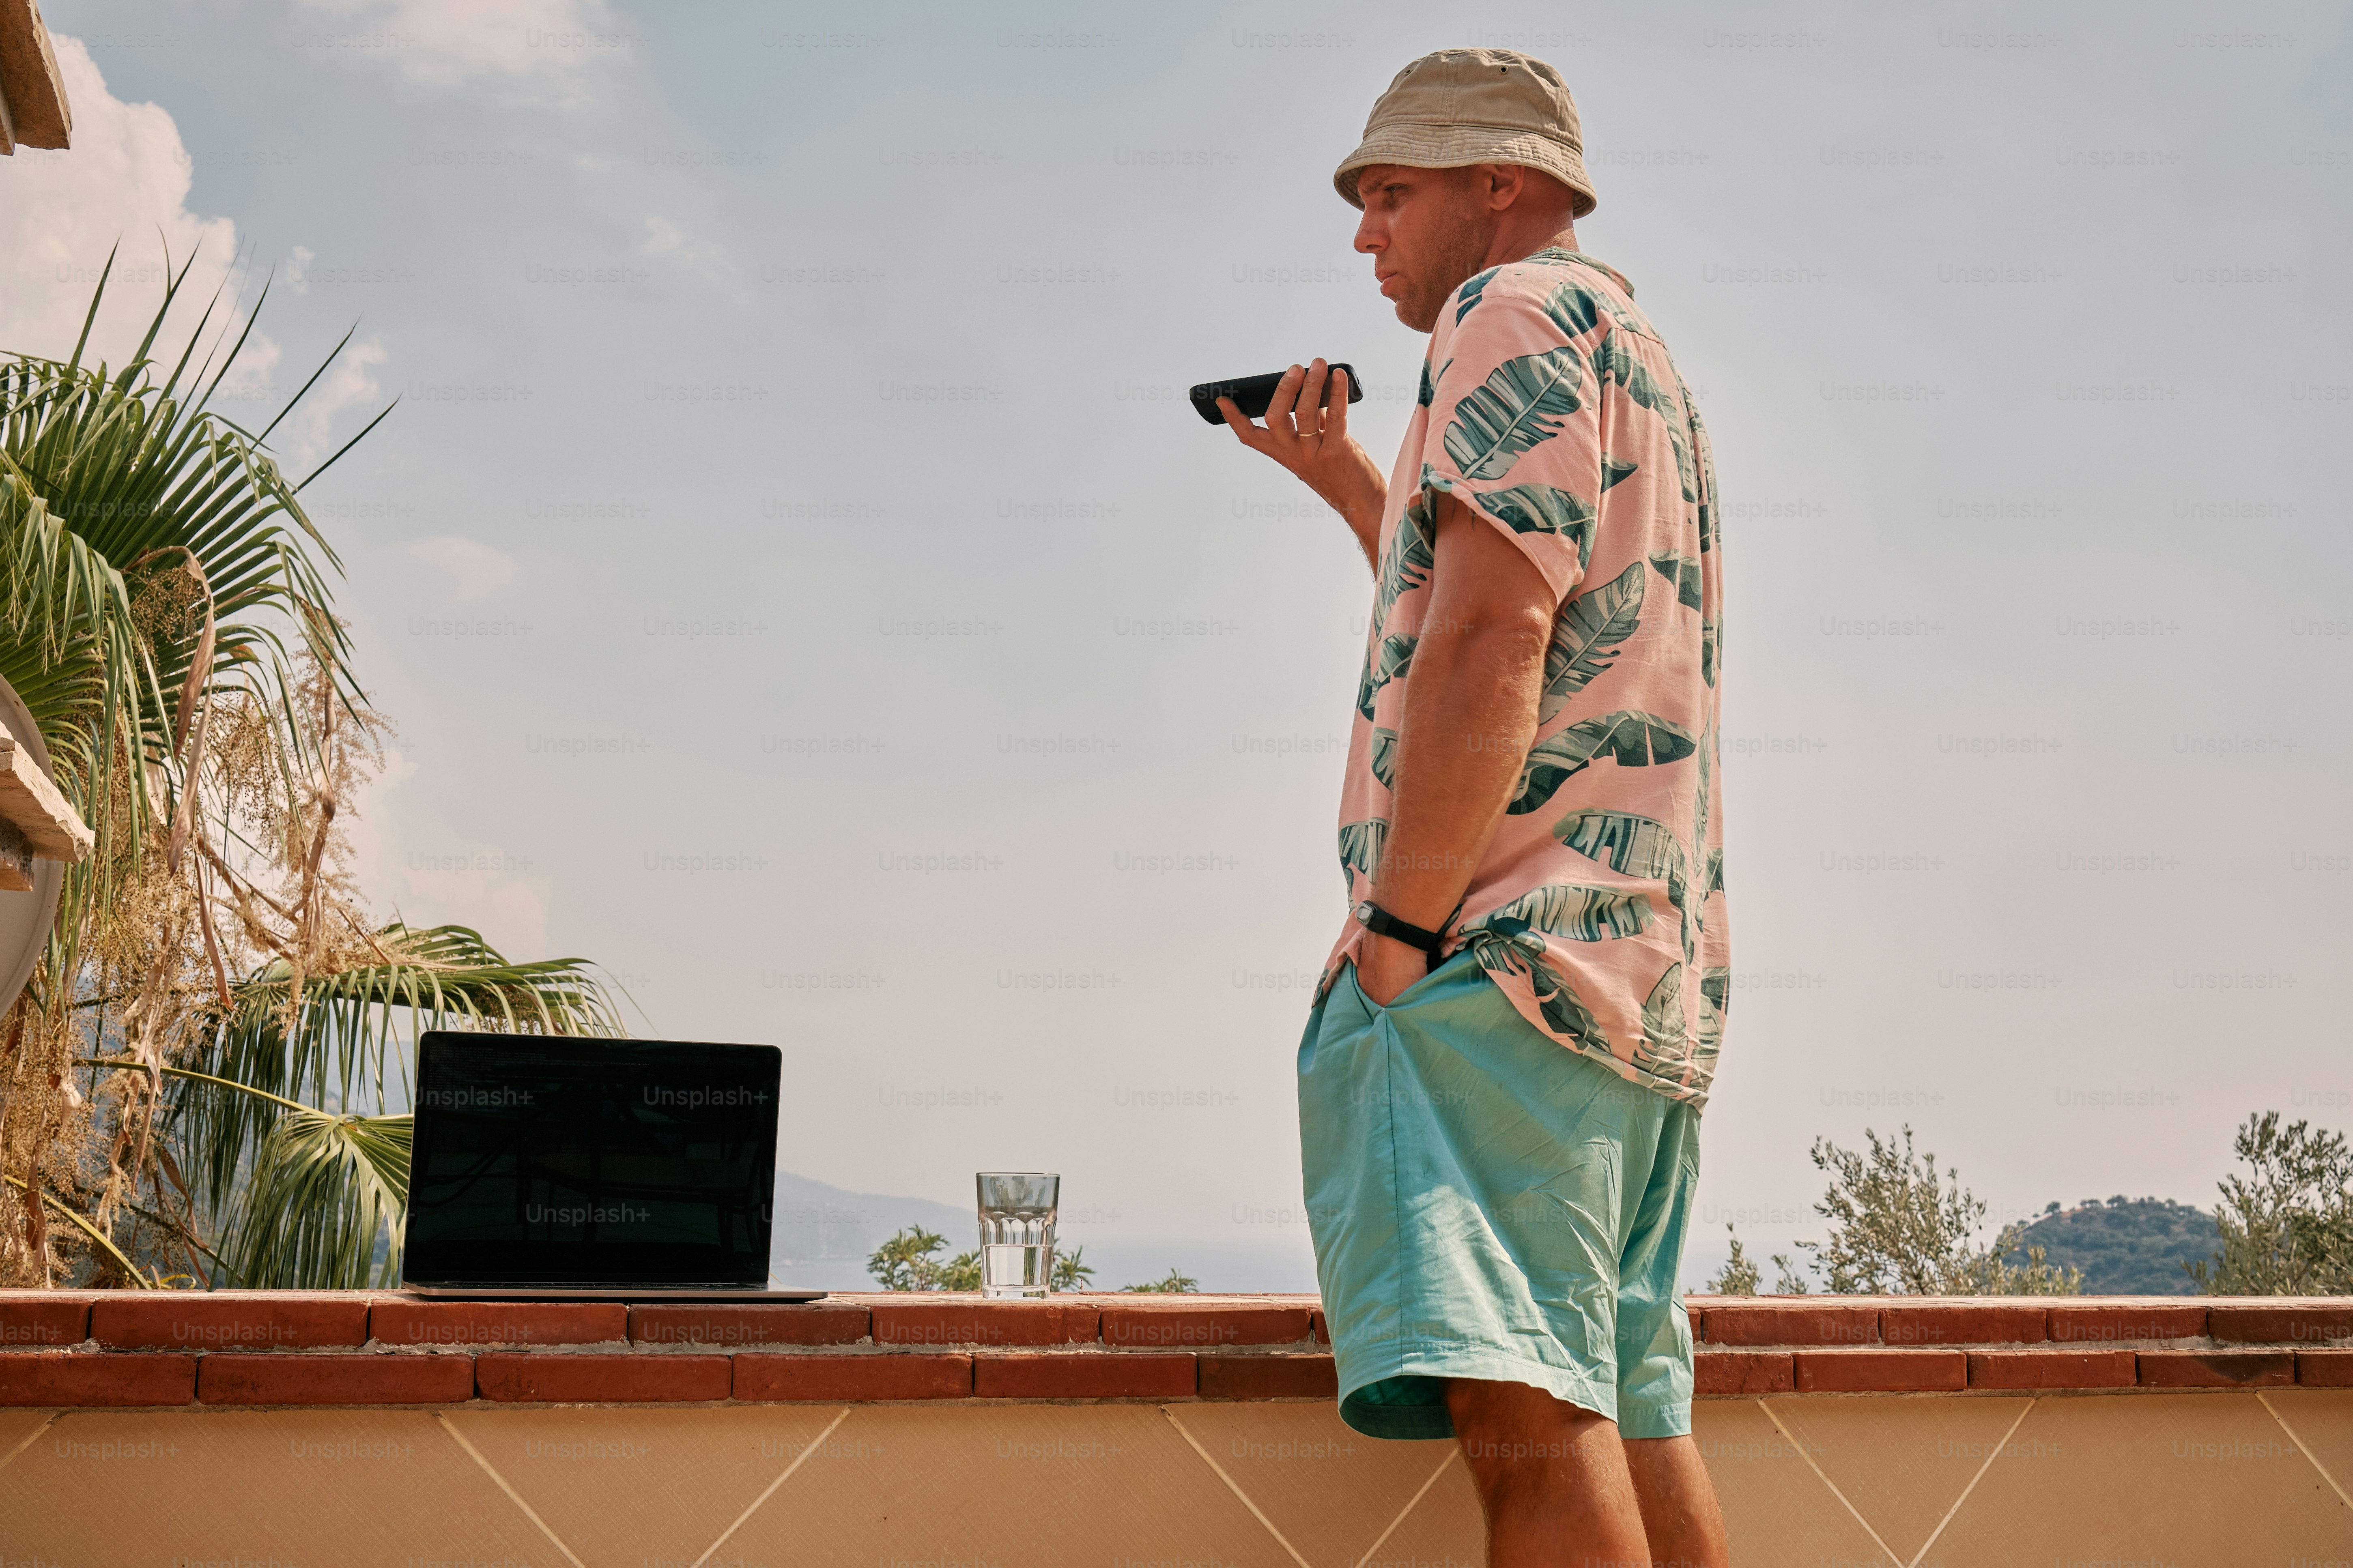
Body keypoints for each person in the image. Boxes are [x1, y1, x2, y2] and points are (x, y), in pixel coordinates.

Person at [1217, 48, 1731, 1568]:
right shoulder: (1635, 347)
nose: (1366, 231)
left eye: (1390, 192)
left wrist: (1397, 931)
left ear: (1496, 184)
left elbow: (1496, 638)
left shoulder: (1499, 314)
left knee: (1532, 1440)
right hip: (1637, 972)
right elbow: (1539, 607)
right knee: (1627, 1411)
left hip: (1498, 968)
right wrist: (1348, 482)